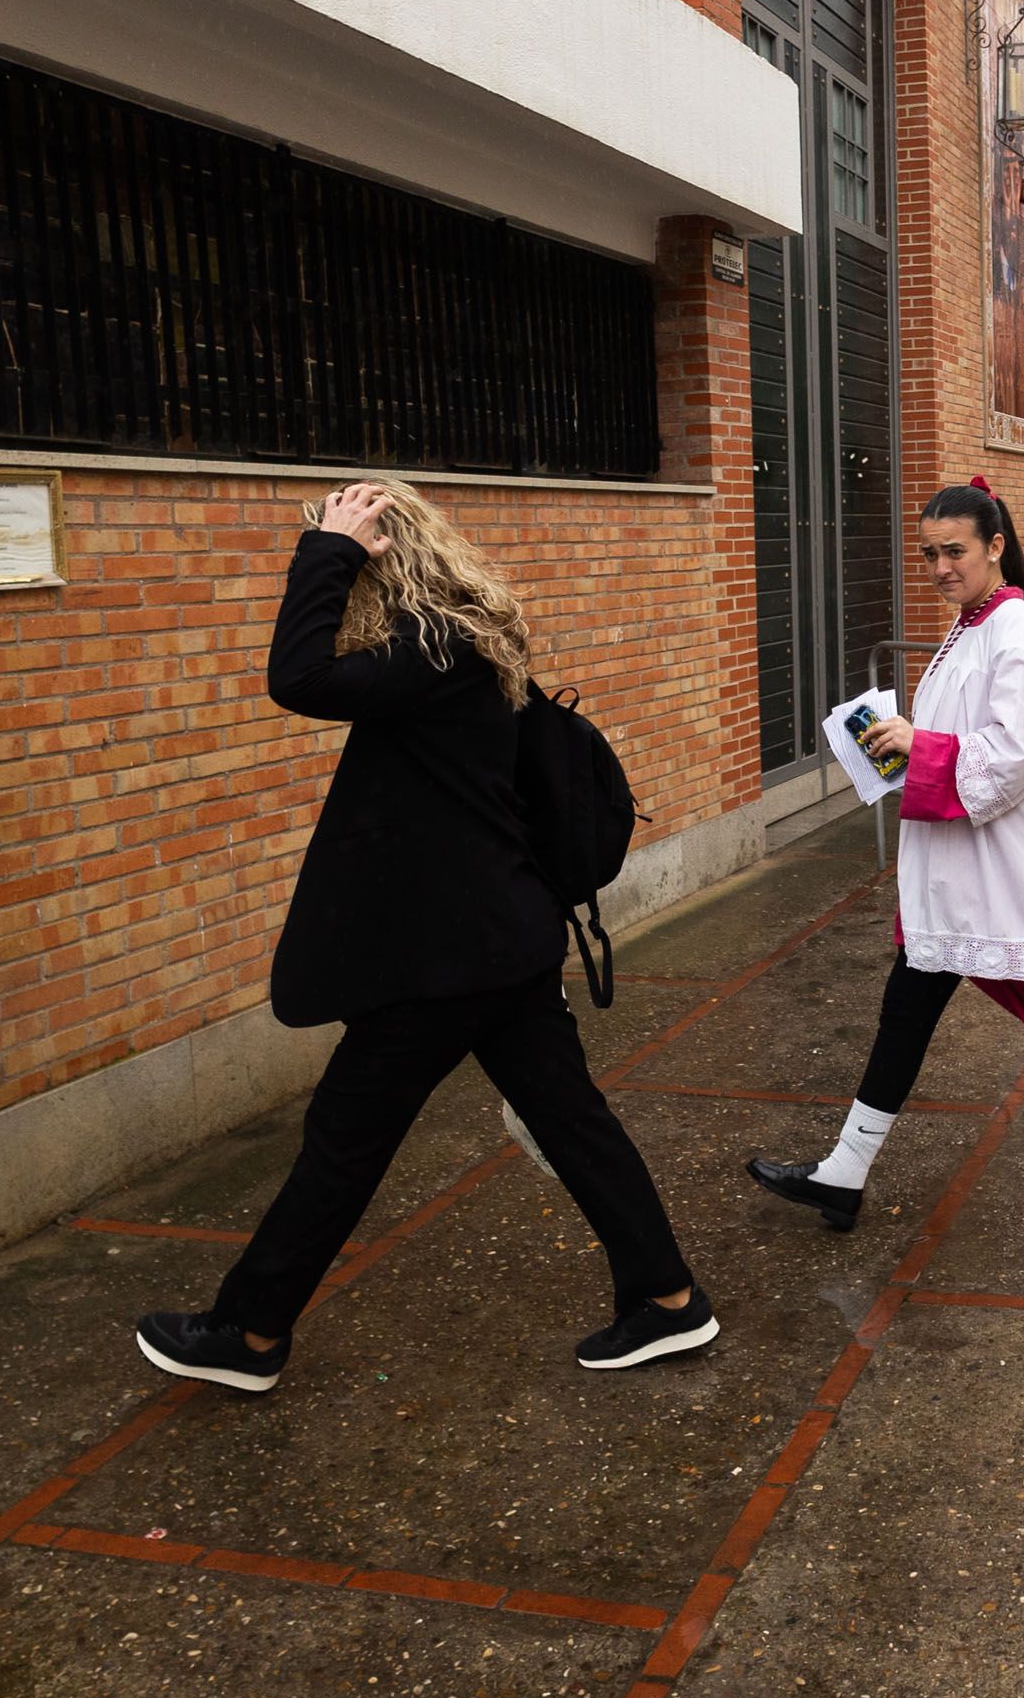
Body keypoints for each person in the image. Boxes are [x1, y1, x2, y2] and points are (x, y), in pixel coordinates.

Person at [134, 480, 717, 1391]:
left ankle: (248, 1334)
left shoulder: (432, 648)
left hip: (448, 959)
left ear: (380, 559)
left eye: (346, 547)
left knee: (344, 1137)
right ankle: (671, 1299)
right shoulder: (468, 638)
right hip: (496, 940)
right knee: (571, 1122)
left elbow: (296, 677)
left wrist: (328, 553)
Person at [750, 479, 1024, 1230]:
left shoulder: (1016, 635)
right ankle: (844, 1172)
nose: (941, 565)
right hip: (969, 870)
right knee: (906, 1005)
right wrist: (902, 739)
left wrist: (923, 743)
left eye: (955, 550)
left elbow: (1021, 751)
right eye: (930, 553)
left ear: (995, 547)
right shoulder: (971, 625)